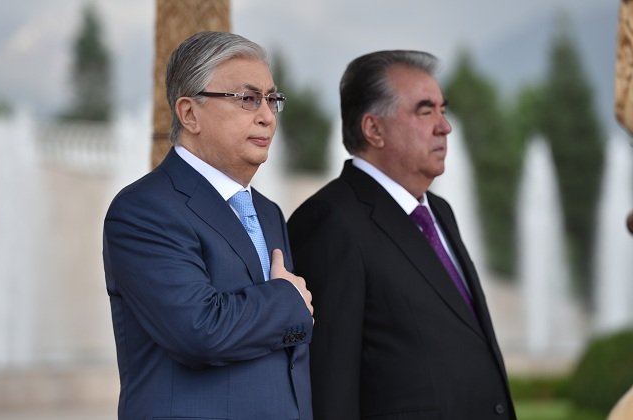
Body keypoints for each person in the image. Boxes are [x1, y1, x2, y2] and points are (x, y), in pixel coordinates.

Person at [287, 50, 516, 419]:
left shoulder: (439, 211)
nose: (445, 126)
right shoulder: (330, 221)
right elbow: (330, 386)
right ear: (374, 129)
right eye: (425, 111)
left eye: (443, 109)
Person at [103, 31, 314, 420]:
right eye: (248, 99)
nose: (267, 116)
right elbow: (199, 330)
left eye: (272, 99)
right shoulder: (144, 209)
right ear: (189, 113)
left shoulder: (268, 212)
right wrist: (288, 300)